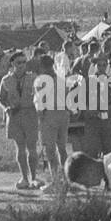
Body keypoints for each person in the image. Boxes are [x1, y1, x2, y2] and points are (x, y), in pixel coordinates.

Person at [0, 51, 41, 190]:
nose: (22, 65)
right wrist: (6, 109)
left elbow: (42, 95)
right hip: (14, 115)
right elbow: (0, 98)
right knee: (20, 147)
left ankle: (34, 177)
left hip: (30, 113)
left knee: (32, 148)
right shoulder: (6, 80)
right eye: (18, 63)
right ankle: (24, 177)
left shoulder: (34, 78)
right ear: (12, 64)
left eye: (24, 62)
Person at [33, 54, 70, 193]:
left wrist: (40, 118)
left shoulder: (41, 81)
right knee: (62, 149)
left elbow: (39, 102)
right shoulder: (61, 80)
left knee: (50, 150)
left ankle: (55, 181)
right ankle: (66, 180)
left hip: (49, 114)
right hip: (63, 114)